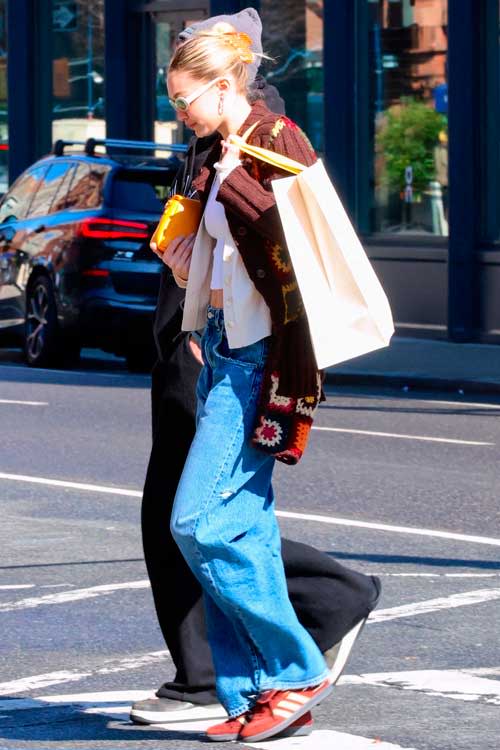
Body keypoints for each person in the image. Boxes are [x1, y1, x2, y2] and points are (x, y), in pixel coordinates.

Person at [131, 7, 380, 737]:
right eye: (174, 100)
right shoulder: (222, 150)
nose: (180, 112)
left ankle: (295, 668)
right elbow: (233, 260)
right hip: (219, 349)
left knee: (196, 520)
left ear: (227, 81)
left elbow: (301, 250)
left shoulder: (274, 143)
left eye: (187, 98)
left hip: (259, 361)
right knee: (243, 525)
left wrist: (234, 191)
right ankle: (256, 694)